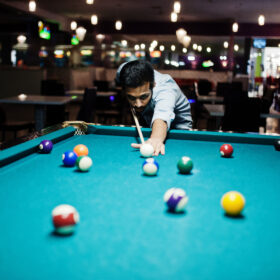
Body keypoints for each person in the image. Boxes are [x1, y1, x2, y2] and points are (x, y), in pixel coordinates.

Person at [116, 60, 192, 156]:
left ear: (154, 85)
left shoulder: (165, 89)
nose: (138, 104)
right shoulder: (123, 70)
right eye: (132, 97)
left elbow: (162, 114)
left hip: (179, 130)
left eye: (143, 96)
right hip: (149, 120)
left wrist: (156, 138)